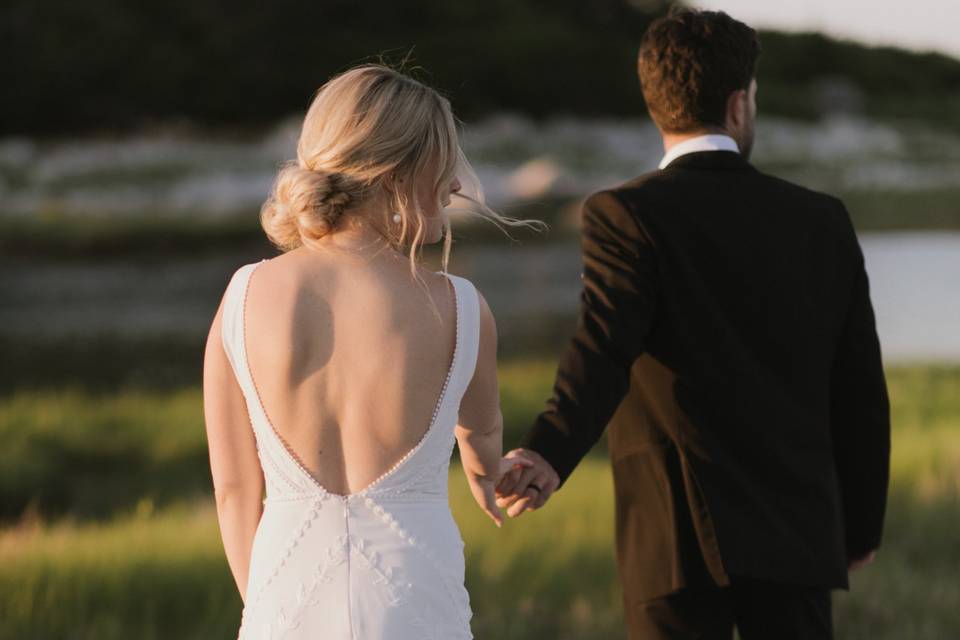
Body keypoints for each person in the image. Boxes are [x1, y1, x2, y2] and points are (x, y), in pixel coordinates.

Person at [496, 9, 891, 639]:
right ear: (739, 106)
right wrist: (859, 525)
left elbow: (604, 346)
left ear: (657, 105)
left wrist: (547, 448)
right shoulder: (821, 220)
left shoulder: (623, 213)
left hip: (673, 539)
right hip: (797, 540)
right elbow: (860, 391)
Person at [202, 64, 537, 639]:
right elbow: (481, 436)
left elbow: (235, 492)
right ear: (394, 175)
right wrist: (489, 477)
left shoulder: (244, 296)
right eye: (444, 163)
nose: (456, 185)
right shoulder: (460, 306)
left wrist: (267, 606)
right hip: (415, 602)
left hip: (283, 598)